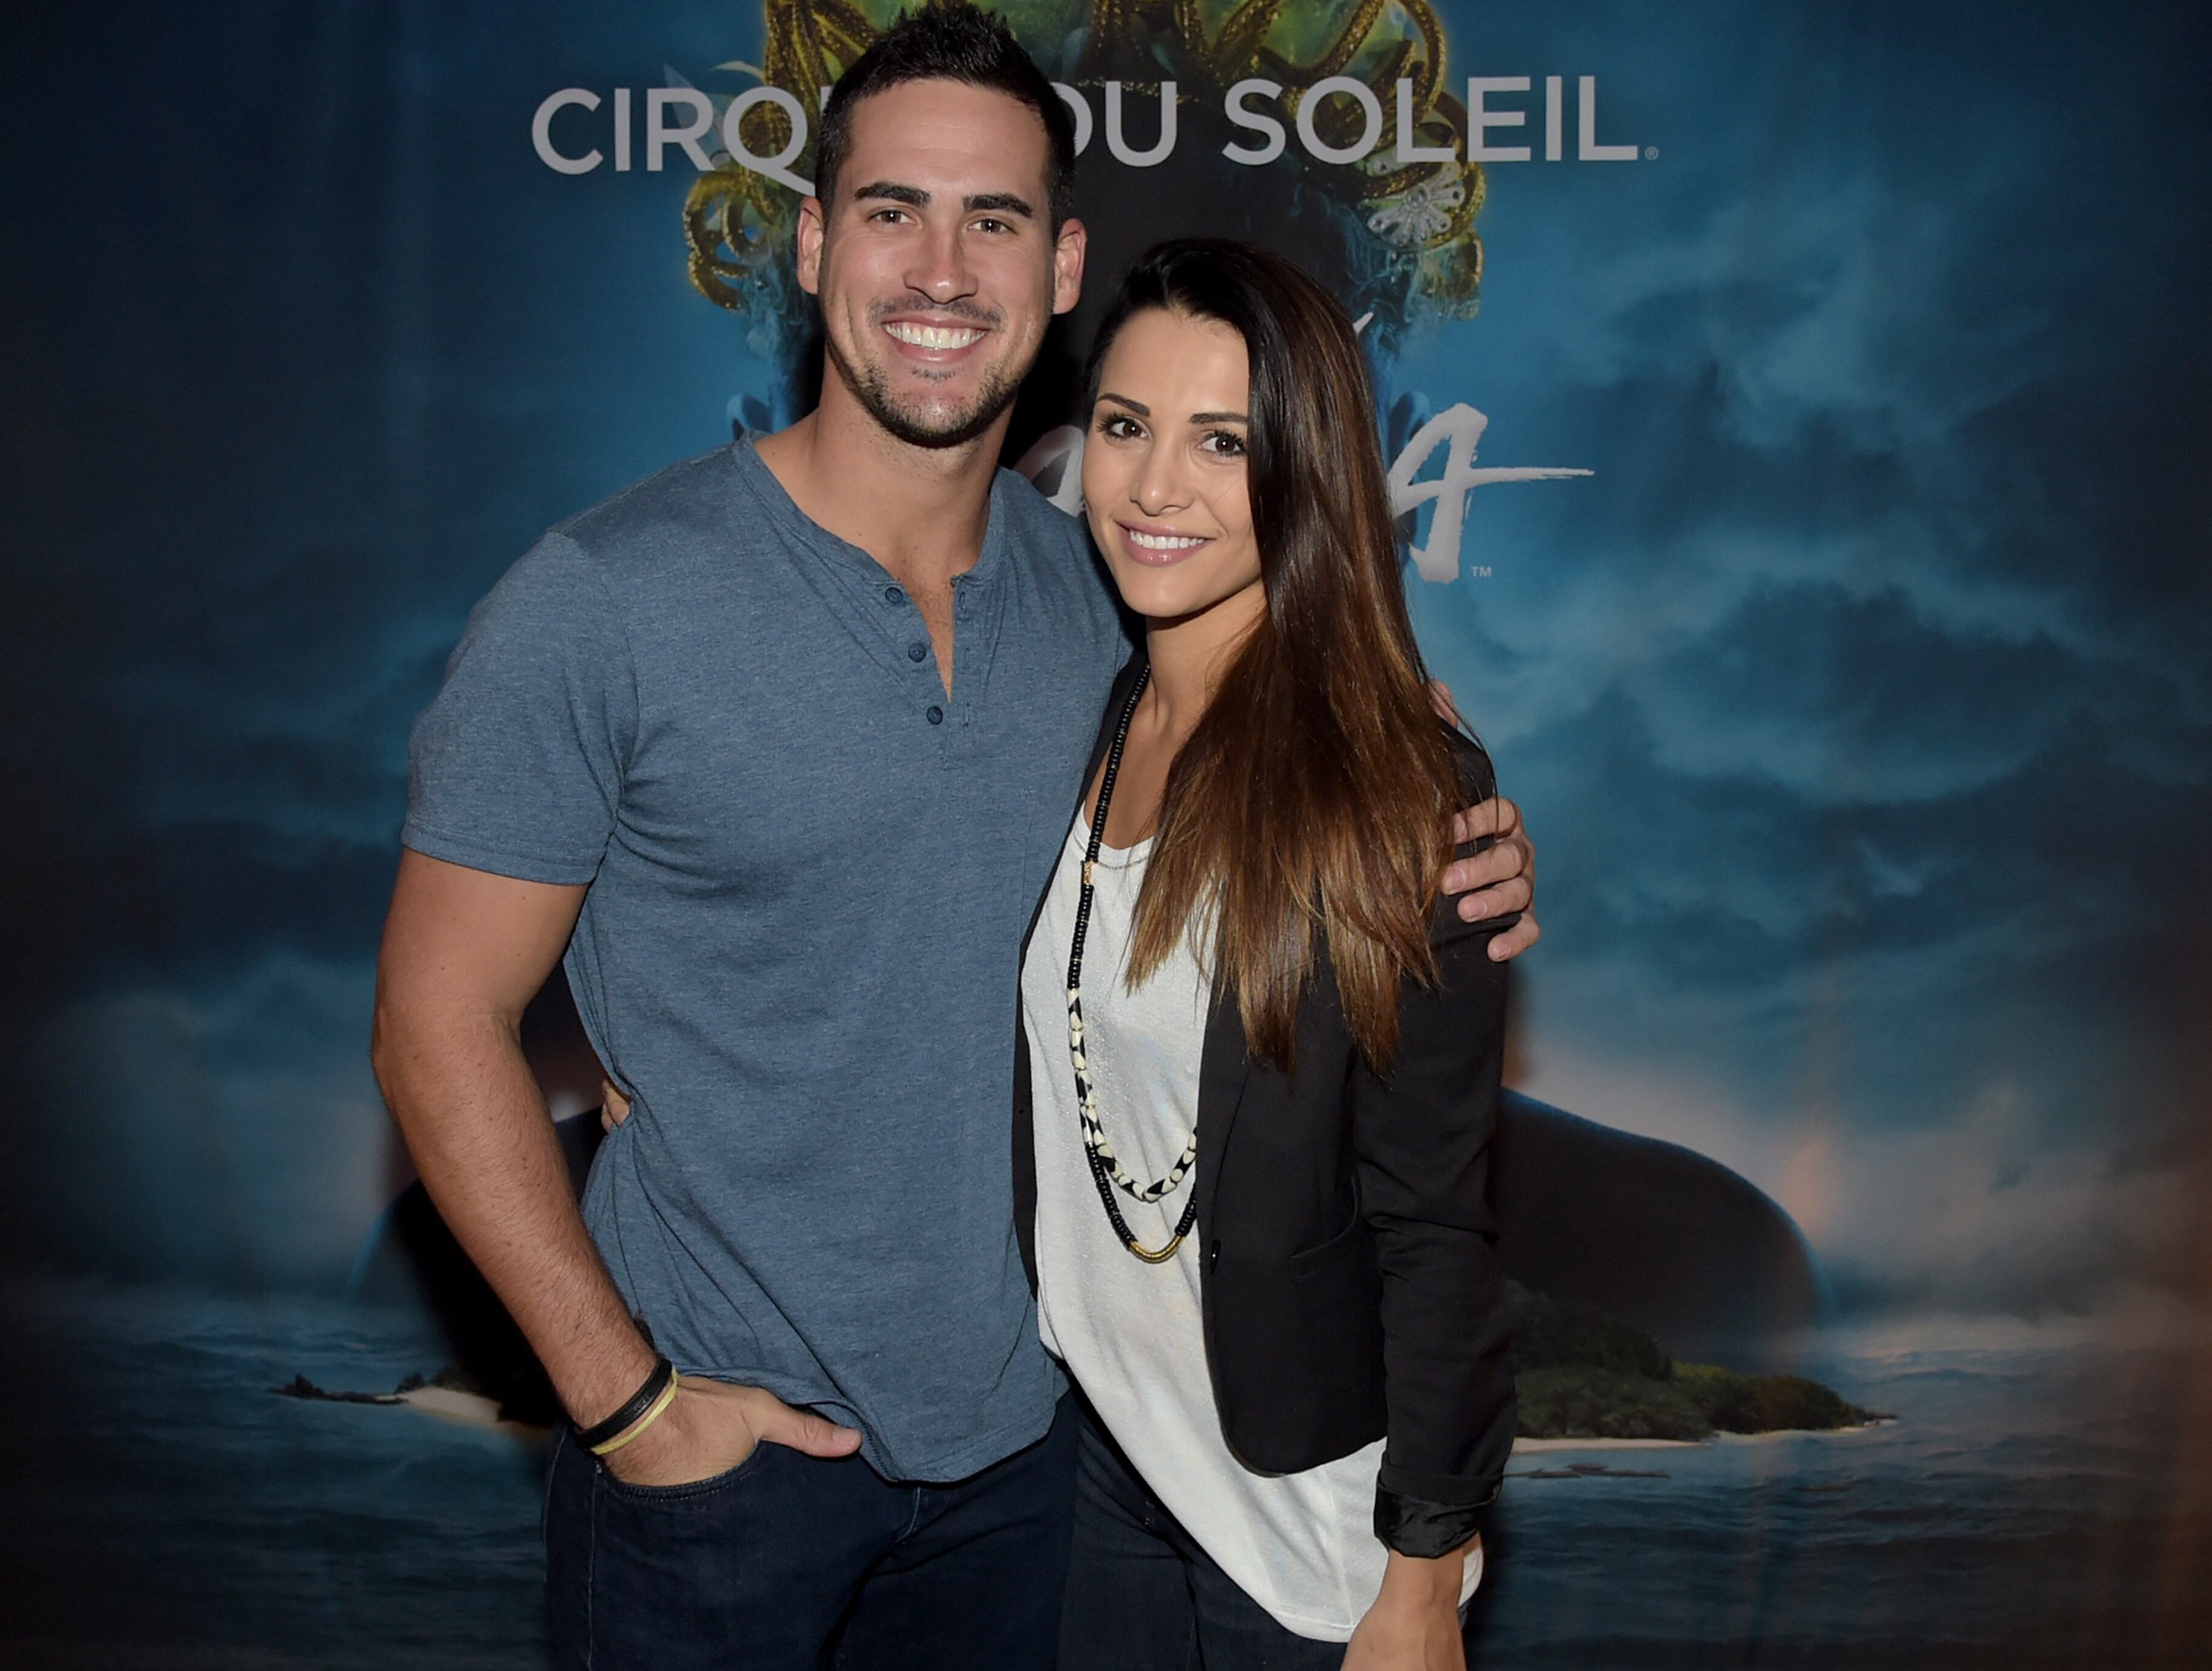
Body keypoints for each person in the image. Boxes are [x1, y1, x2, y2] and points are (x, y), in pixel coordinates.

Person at [370, 8, 1535, 1668]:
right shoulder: (602, 602)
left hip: (1036, 1474)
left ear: (1061, 269)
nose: (940, 268)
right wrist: (628, 1402)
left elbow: (1307, 721)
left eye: (992, 219)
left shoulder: (1101, 599)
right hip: (723, 1475)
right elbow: (434, 1023)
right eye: (892, 210)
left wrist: (1438, 809)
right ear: (811, 242)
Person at [1013, 239, 1514, 1671]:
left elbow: (1437, 1223)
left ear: (1308, 468)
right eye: (1126, 426)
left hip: (1308, 1539)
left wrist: (1421, 1576)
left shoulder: (1395, 793)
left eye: (1222, 442)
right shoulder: (1079, 712)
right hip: (1105, 1465)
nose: (1155, 486)